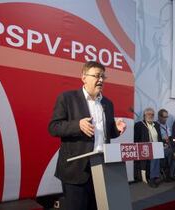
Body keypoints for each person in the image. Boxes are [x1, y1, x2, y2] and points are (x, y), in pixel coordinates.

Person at [48, 61, 127, 210]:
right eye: (97, 76)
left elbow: (107, 133)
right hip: (76, 169)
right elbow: (53, 127)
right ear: (83, 77)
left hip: (102, 167)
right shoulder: (67, 98)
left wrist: (116, 129)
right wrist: (77, 125)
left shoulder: (107, 103)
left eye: (103, 76)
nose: (101, 80)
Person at [134, 108, 163, 188]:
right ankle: (152, 178)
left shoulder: (156, 125)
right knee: (154, 155)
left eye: (152, 114)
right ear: (144, 115)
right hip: (145, 148)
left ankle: (160, 175)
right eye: (149, 114)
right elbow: (136, 139)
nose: (151, 116)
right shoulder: (139, 125)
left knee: (166, 152)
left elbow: (159, 137)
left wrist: (162, 145)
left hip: (157, 147)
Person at [157, 108, 175, 182]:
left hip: (168, 145)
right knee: (170, 153)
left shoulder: (167, 125)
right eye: (164, 117)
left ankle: (171, 174)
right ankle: (168, 174)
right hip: (160, 146)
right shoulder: (156, 125)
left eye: (166, 117)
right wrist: (163, 140)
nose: (165, 119)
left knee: (174, 153)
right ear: (159, 117)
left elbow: (170, 135)